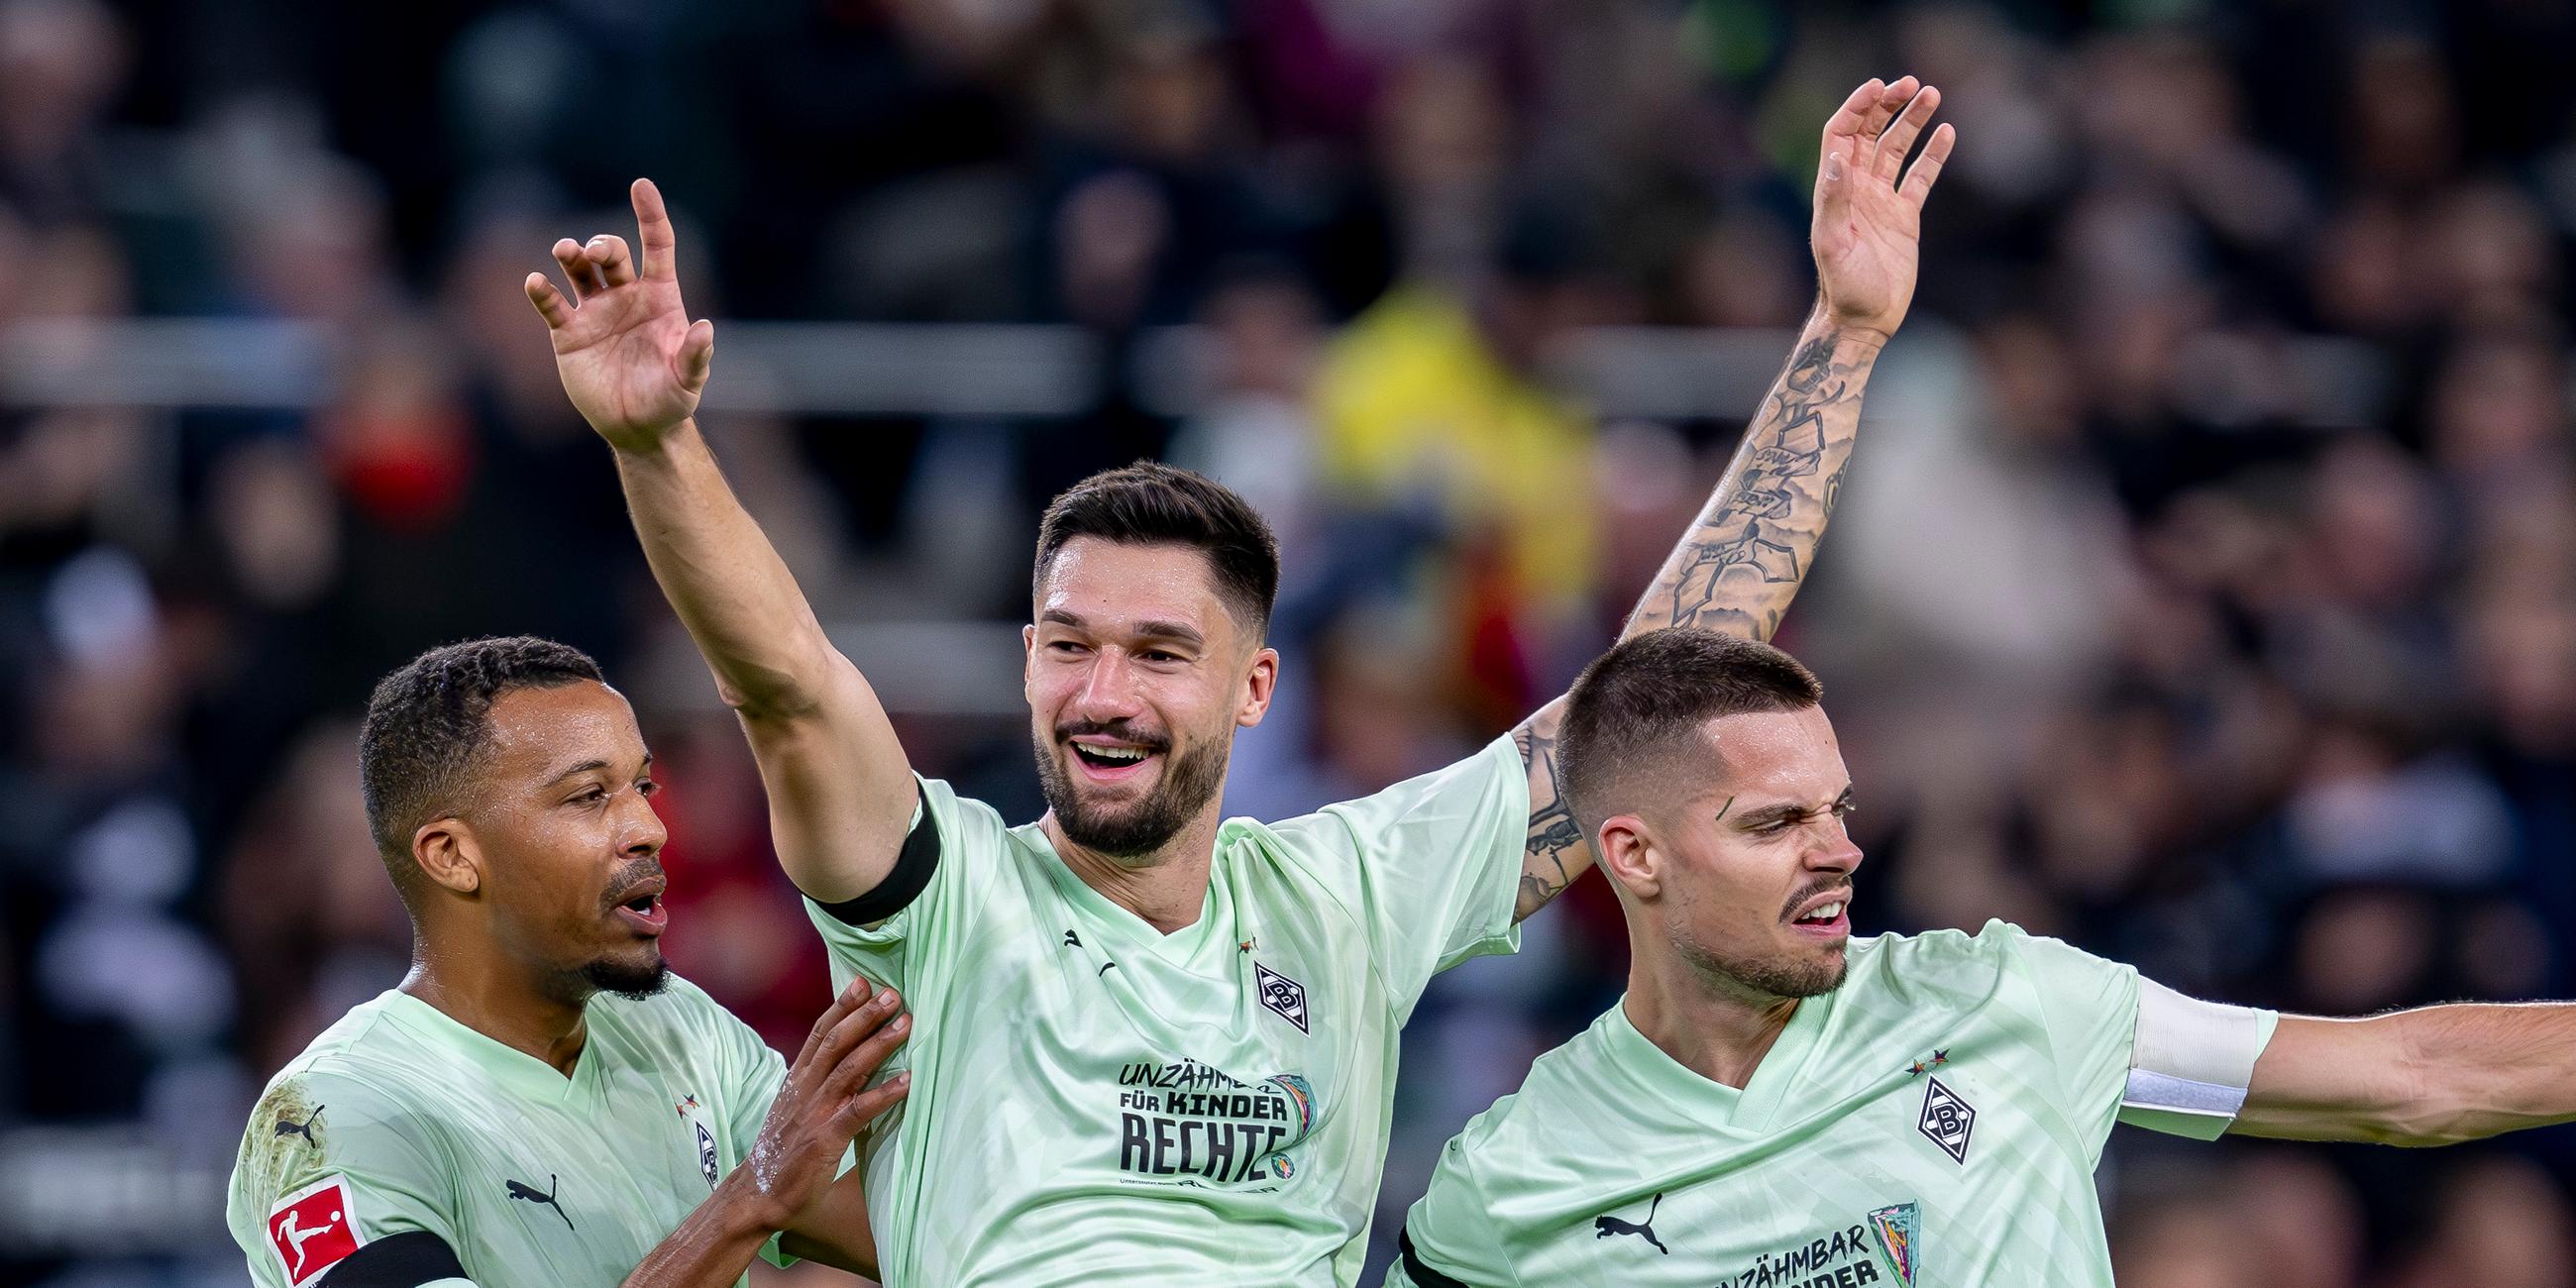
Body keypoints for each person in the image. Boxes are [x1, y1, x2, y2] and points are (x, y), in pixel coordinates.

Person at [522, 75, 1952, 1285]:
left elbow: (1663, 693)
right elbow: (784, 679)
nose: (1104, 693)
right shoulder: (945, 902)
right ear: (1026, 661)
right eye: (1071, 643)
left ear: (1255, 687)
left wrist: (1844, 332)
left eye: (1159, 654)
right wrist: (658, 448)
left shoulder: (1347, 899)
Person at [1390, 629, 2576, 1287]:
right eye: (1773, 824)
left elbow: (2414, 1078)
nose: (1838, 852)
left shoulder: (2000, 999)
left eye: (1838, 809)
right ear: (1634, 857)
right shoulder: (1515, 1183)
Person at [224, 637, 911, 1288]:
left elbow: (918, 1239)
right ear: (453, 857)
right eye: (588, 796)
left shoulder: (678, 1027)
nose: (649, 828)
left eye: (643, 787)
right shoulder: (329, 1117)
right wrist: (746, 1204)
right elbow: (770, 1184)